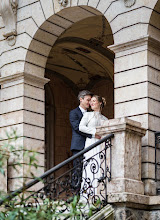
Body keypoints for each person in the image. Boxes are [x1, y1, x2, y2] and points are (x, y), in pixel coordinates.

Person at [79, 95, 108, 200]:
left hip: (101, 144)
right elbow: (81, 127)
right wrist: (94, 133)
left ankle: (99, 192)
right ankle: (87, 194)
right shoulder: (87, 115)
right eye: (90, 101)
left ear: (100, 103)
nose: (91, 103)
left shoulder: (105, 119)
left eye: (94, 101)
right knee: (90, 165)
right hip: (91, 142)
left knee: (100, 165)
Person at [69, 90, 97, 190]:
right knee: (77, 169)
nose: (89, 102)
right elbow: (77, 127)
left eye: (91, 100)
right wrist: (92, 134)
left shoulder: (90, 114)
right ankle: (75, 193)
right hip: (79, 145)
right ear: (81, 99)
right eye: (88, 100)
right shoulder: (73, 113)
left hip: (90, 145)